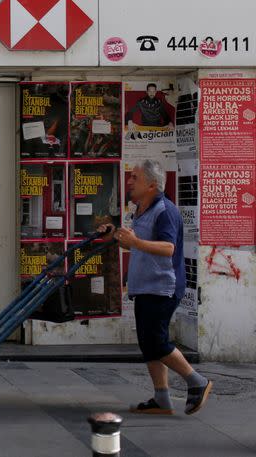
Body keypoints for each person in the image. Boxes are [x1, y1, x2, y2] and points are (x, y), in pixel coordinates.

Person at [99, 160, 211, 415]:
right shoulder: (140, 209)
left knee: (157, 342)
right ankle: (161, 398)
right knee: (148, 344)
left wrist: (135, 241)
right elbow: (136, 245)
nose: (129, 181)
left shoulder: (165, 211)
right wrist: (115, 236)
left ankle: (197, 382)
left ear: (151, 184)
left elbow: (167, 248)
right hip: (146, 286)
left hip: (162, 287)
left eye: (135, 177)